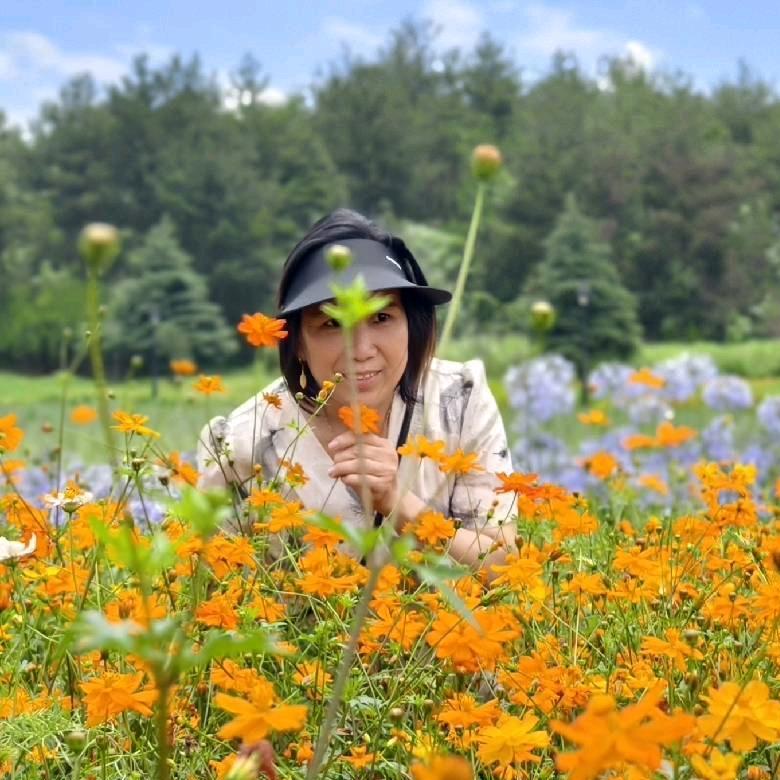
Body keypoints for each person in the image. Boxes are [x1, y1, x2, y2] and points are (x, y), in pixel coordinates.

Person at [197, 209, 516, 572]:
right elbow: (209, 587)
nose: (361, 350)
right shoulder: (241, 444)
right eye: (332, 323)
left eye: (381, 317)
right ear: (296, 341)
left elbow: (503, 566)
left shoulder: (459, 401)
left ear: (411, 324)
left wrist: (396, 501)